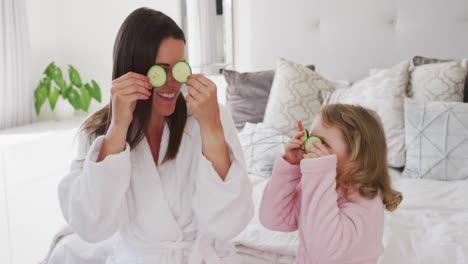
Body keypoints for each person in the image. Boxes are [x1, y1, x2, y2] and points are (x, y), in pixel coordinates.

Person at [58, 7, 253, 264]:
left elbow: (230, 222)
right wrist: (118, 128)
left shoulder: (207, 116)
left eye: (179, 68)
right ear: (133, 70)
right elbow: (92, 226)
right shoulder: (99, 133)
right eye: (161, 70)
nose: (173, 83)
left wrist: (212, 128)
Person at [259, 104, 402, 264]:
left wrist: (319, 173)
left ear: (357, 157)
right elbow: (274, 219)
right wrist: (290, 166)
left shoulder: (366, 202)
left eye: (323, 143)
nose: (309, 146)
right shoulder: (322, 184)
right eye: (311, 138)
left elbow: (325, 254)